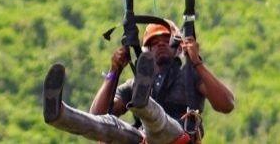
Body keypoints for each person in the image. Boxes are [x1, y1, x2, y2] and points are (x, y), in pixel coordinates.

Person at [43, 22, 235, 143]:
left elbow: (226, 104)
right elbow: (98, 114)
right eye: (154, 42)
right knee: (109, 125)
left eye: (165, 40)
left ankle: (142, 105)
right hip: (141, 138)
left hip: (177, 136)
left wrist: (196, 62)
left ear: (177, 47)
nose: (160, 44)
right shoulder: (134, 83)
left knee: (157, 121)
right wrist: (115, 70)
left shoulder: (190, 77)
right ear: (146, 51)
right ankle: (61, 114)